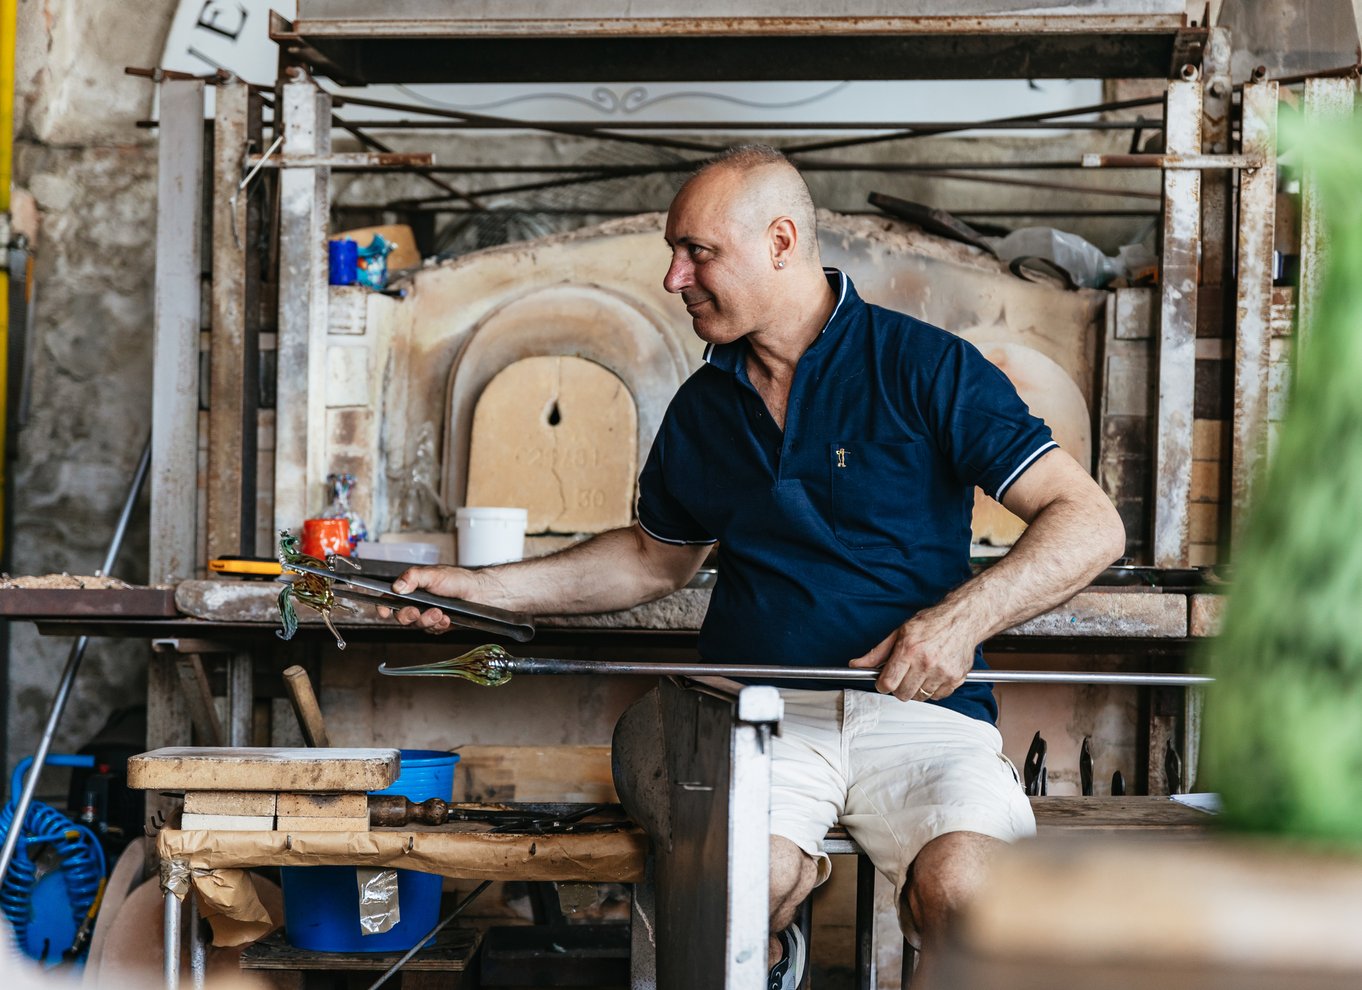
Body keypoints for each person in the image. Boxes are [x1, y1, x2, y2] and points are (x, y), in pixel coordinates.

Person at [389, 145, 1126, 987]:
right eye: (675, 251)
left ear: (780, 242)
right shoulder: (705, 406)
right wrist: (482, 589)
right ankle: (775, 947)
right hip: (760, 713)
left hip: (924, 713)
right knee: (736, 889)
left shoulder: (925, 367)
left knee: (968, 896)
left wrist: (959, 623)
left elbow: (1090, 523)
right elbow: (649, 561)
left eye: (697, 251)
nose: (674, 277)